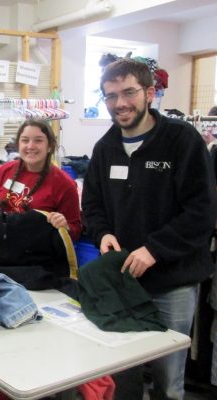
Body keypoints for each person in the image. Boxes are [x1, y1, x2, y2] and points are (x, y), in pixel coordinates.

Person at [82, 58, 217, 400]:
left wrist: (155, 249)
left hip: (173, 283)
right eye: (110, 95)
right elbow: (93, 206)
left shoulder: (181, 140)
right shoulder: (105, 148)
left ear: (150, 92)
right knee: (122, 374)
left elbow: (201, 211)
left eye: (129, 92)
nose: (120, 103)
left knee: (167, 380)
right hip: (122, 281)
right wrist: (102, 234)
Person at [0, 119, 82, 241]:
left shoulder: (65, 184)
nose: (30, 146)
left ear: (50, 146)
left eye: (38, 140)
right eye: (25, 140)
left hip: (35, 253)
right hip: (0, 242)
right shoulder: (4, 171)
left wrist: (64, 225)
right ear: (18, 144)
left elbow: (75, 230)